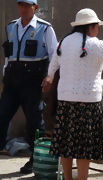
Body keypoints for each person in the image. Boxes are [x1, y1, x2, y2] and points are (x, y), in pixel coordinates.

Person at [41, 8, 103, 180]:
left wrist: (49, 77)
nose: (97, 30)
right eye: (97, 26)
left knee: (66, 144)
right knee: (83, 148)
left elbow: (54, 63)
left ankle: (68, 178)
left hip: (65, 101)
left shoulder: (64, 42)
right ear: (91, 27)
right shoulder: (95, 44)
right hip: (88, 104)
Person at [0, 0, 58, 174]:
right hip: (12, 80)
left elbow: (54, 53)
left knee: (34, 121)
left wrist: (50, 76)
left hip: (33, 81)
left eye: (27, 6)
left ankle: (35, 158)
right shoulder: (11, 26)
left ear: (35, 8)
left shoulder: (45, 28)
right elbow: (9, 55)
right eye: (21, 5)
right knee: (2, 116)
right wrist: (5, 75)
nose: (24, 9)